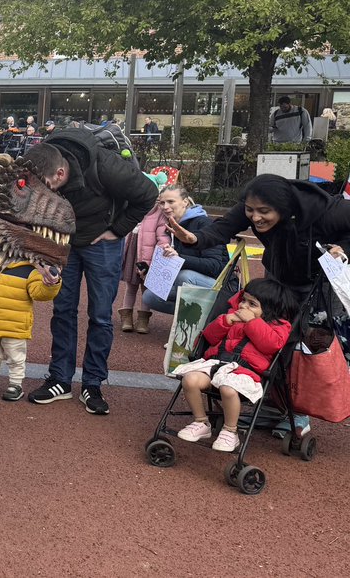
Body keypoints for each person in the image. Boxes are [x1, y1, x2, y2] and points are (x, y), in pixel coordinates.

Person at [167, 173, 350, 437]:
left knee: (301, 342)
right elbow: (222, 229)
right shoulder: (252, 208)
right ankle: (272, 400)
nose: (255, 217)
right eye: (250, 210)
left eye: (264, 212)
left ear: (284, 208)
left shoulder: (324, 211)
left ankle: (298, 412)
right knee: (270, 336)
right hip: (278, 275)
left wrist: (343, 248)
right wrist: (194, 240)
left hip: (317, 282)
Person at [21, 134, 159, 415]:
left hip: (102, 242)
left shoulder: (105, 166)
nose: (43, 193)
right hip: (63, 241)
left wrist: (117, 229)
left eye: (47, 187)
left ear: (61, 173)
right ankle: (60, 378)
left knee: (99, 314)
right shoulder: (39, 161)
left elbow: (148, 194)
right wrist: (42, 253)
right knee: (63, 310)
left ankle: (93, 382)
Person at [172, 278, 298, 452]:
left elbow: (271, 344)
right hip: (217, 364)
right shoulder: (231, 316)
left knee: (228, 388)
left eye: (252, 304)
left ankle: (230, 431)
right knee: (190, 380)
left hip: (245, 372)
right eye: (243, 300)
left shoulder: (278, 326)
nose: (243, 306)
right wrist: (224, 322)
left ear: (269, 310)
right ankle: (201, 422)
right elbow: (209, 337)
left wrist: (252, 322)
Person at [0, 258, 62, 401]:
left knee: (16, 358)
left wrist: (51, 284)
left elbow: (39, 293)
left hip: (15, 327)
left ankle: (16, 384)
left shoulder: (28, 271)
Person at [140, 184, 227, 316]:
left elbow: (215, 266)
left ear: (185, 202)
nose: (165, 207)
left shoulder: (204, 224)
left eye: (171, 202)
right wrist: (153, 273)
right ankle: (201, 318)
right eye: (162, 203)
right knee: (149, 296)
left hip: (220, 284)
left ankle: (193, 323)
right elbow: (175, 264)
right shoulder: (171, 226)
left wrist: (179, 258)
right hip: (192, 283)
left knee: (184, 277)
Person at [117, 172, 170, 334]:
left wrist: (160, 254)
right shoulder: (130, 207)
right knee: (131, 286)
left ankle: (143, 319)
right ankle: (126, 316)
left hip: (149, 256)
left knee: (147, 287)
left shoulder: (158, 213)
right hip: (132, 252)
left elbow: (162, 237)